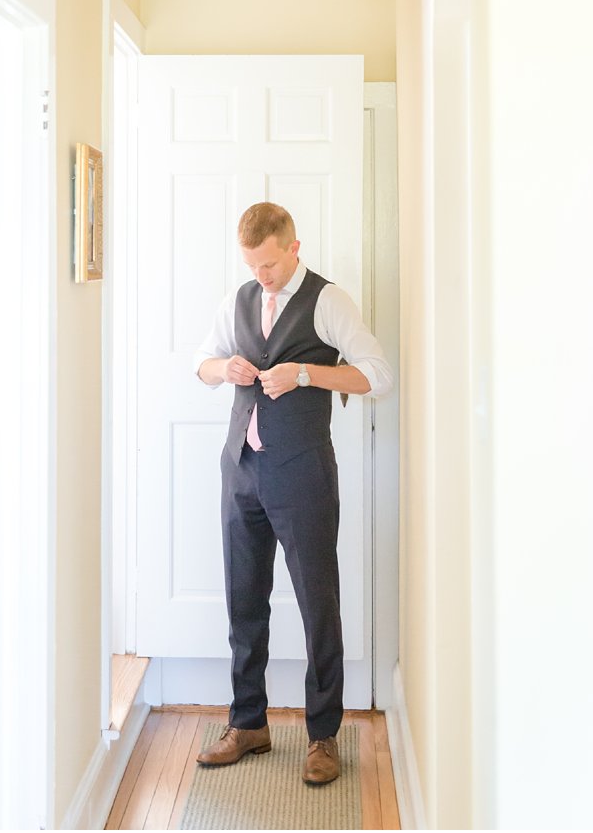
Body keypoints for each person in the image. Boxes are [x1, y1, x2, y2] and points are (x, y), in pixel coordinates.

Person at [192, 202, 393, 786]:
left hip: (302, 472)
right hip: (241, 469)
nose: (262, 276)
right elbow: (197, 364)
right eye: (252, 265)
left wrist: (307, 373)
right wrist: (221, 368)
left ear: (294, 247)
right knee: (244, 601)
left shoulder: (329, 301)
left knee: (316, 604)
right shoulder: (239, 300)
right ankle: (248, 723)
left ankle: (323, 736)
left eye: (270, 264)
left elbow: (378, 375)